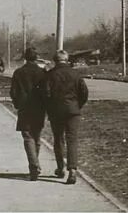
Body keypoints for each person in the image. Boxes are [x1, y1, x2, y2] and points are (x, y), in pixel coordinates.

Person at [44, 50, 88, 185]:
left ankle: (60, 168)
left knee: (58, 140)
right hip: (73, 111)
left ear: (55, 60)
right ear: (67, 59)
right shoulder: (76, 74)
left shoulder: (50, 75)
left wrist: (50, 108)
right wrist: (77, 105)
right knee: (72, 140)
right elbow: (84, 92)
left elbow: (46, 94)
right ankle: (73, 171)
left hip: (56, 111)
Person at [9, 47, 46, 181]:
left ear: (25, 58)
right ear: (36, 58)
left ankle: (34, 166)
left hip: (24, 109)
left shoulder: (18, 72)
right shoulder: (42, 73)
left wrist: (17, 104)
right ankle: (35, 164)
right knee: (36, 137)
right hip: (39, 109)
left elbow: (13, 92)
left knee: (27, 136)